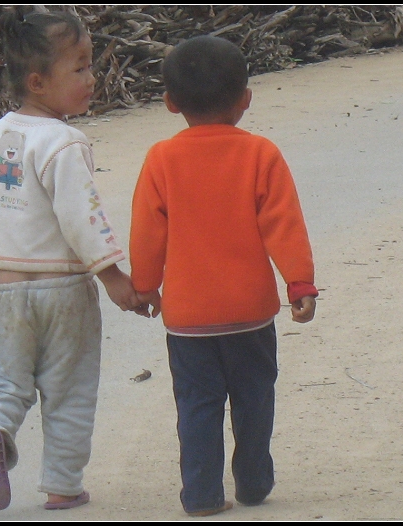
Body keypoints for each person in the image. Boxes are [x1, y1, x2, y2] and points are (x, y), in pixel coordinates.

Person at [0, 7, 148, 511]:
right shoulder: (63, 141)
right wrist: (113, 277)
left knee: (1, 381)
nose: (92, 78)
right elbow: (80, 217)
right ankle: (64, 485)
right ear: (38, 82)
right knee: (70, 391)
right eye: (80, 68)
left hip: (4, 290)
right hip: (63, 293)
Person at [129, 35, 318, 517]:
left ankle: (201, 494)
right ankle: (253, 482)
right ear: (245, 99)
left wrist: (145, 286)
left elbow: (148, 230)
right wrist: (299, 283)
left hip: (188, 318)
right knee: (254, 399)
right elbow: (283, 224)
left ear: (170, 102)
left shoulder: (160, 159)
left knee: (197, 405)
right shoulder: (261, 155)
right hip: (250, 312)